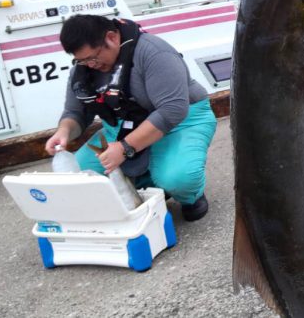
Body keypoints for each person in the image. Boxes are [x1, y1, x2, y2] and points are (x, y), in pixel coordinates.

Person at [44, 15, 217, 221]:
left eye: (93, 57)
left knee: (177, 178)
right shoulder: (85, 69)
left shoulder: (154, 53)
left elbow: (172, 110)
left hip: (181, 121)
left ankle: (190, 195)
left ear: (111, 37)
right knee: (80, 180)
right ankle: (144, 180)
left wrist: (125, 148)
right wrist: (64, 132)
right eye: (81, 60)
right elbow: (75, 113)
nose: (90, 65)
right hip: (120, 126)